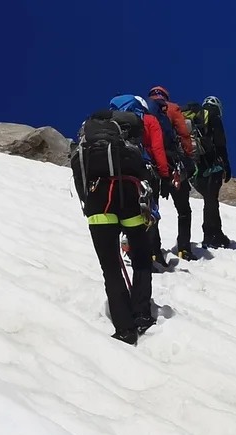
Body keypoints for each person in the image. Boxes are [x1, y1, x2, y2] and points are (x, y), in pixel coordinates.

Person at [70, 107, 163, 344]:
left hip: (98, 205)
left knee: (110, 268)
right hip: (129, 199)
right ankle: (142, 314)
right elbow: (143, 171)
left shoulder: (86, 143)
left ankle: (124, 328)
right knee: (141, 259)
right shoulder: (125, 141)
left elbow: (80, 178)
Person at [110, 94, 175, 269]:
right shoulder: (149, 120)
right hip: (144, 169)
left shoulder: (113, 121)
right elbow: (157, 147)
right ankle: (147, 253)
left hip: (117, 170)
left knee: (127, 208)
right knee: (150, 211)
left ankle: (131, 243)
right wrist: (164, 174)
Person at [145, 86, 202, 258]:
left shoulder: (142, 110)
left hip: (150, 164)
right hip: (171, 163)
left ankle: (154, 250)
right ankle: (184, 248)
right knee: (184, 209)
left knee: (151, 207)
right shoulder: (172, 108)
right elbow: (184, 133)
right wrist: (188, 156)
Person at [182, 95, 235, 249]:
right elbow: (220, 142)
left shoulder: (194, 118)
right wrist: (226, 165)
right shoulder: (213, 116)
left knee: (209, 199)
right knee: (211, 200)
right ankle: (211, 235)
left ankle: (215, 233)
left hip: (196, 166)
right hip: (211, 165)